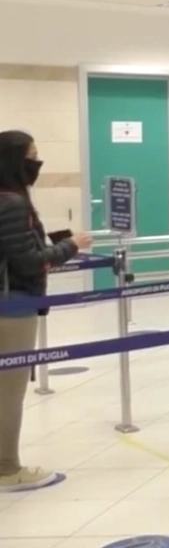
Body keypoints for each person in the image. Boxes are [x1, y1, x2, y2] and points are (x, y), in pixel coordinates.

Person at [0, 130, 90, 492]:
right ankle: (7, 468)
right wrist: (71, 245)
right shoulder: (12, 202)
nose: (37, 163)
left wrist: (48, 239)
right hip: (13, 304)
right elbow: (27, 261)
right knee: (10, 389)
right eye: (32, 155)